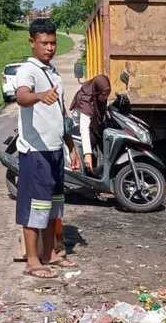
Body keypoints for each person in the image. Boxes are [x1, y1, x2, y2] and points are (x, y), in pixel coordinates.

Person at [13, 18, 79, 279]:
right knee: (34, 207)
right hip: (34, 151)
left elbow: (62, 114)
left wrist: (71, 146)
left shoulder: (53, 72)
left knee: (53, 206)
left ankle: (50, 252)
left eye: (53, 43)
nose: (50, 48)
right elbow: (21, 96)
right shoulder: (27, 71)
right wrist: (39, 96)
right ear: (32, 43)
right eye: (44, 43)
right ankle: (32, 260)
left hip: (54, 150)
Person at [69, 74, 112, 173]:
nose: (106, 97)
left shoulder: (98, 95)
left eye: (108, 93)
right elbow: (84, 129)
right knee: (95, 137)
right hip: (78, 130)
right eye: (104, 94)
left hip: (92, 124)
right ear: (97, 92)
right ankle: (88, 169)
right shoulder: (86, 101)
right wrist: (87, 154)